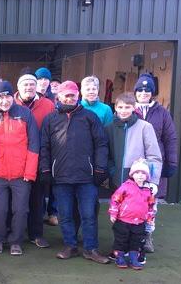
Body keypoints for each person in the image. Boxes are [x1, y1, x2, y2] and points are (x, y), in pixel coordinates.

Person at [39, 80, 110, 264]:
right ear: (59, 97)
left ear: (78, 96)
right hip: (60, 176)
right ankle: (70, 245)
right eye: (66, 95)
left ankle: (90, 249)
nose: (70, 98)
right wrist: (46, 169)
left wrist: (100, 168)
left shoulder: (90, 117)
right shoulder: (50, 119)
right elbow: (44, 147)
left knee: (88, 214)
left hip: (86, 176)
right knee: (65, 215)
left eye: (73, 95)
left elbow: (101, 144)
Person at [0, 81, 39, 255]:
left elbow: (34, 145)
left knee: (20, 210)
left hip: (21, 174)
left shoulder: (25, 114)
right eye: (0, 97)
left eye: (7, 96)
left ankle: (16, 241)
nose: (4, 101)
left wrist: (30, 172)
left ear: (12, 96)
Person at [133, 73, 178, 254]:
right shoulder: (127, 109)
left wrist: (171, 163)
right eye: (141, 90)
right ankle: (130, 236)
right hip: (133, 164)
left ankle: (147, 237)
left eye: (148, 90)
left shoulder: (162, 113)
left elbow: (170, 139)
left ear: (153, 93)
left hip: (153, 164)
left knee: (151, 203)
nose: (144, 93)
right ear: (135, 92)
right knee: (131, 200)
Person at [13, 74, 55, 248]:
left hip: (39, 158)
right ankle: (14, 232)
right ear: (18, 86)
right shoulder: (10, 103)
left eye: (32, 84)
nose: (29, 87)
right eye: (25, 84)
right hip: (15, 160)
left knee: (37, 198)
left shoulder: (48, 105)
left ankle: (36, 233)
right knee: (14, 200)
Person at [106, 92, 163, 188]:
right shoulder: (109, 128)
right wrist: (113, 171)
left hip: (139, 181)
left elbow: (154, 156)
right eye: (120, 107)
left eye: (127, 107)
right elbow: (106, 155)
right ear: (115, 107)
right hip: (115, 182)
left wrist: (153, 181)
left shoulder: (145, 127)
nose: (123, 111)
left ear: (133, 107)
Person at [108, 159, 156, 270]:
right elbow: (115, 199)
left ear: (147, 176)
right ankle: (119, 257)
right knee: (121, 240)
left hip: (139, 222)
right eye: (137, 172)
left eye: (143, 173)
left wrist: (150, 217)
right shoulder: (126, 186)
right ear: (132, 174)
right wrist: (113, 213)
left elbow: (151, 205)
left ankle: (134, 258)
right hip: (123, 221)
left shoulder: (148, 190)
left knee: (136, 241)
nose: (140, 175)